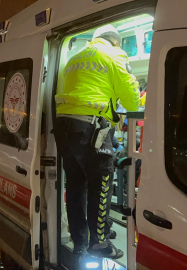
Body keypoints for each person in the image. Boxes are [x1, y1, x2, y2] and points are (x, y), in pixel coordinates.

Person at [53, 25, 140, 259]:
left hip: (64, 126)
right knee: (101, 183)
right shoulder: (114, 54)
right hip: (91, 127)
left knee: (75, 184)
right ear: (116, 42)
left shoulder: (74, 58)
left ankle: (81, 239)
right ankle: (99, 243)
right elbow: (132, 98)